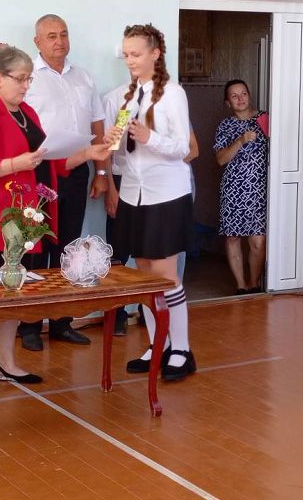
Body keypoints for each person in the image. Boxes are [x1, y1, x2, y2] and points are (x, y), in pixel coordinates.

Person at [0, 45, 111, 393]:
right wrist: (16, 164)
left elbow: (49, 162)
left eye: (29, 79)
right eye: (21, 79)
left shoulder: (27, 113)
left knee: (15, 290)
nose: (27, 86)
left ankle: (6, 362)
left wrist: (88, 153)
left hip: (22, 220)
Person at [106, 23, 195, 381]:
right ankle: (159, 344)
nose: (130, 60)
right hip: (134, 193)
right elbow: (124, 155)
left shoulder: (173, 94)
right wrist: (114, 143)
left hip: (166, 194)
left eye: (136, 54)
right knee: (144, 275)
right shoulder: (128, 97)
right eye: (126, 55)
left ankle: (182, 349)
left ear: (155, 54)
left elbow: (183, 147)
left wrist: (149, 136)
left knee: (166, 276)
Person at [17, 14, 109, 351]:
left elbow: (97, 127)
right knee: (34, 245)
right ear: (37, 42)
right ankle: (28, 325)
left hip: (78, 169)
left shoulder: (84, 76)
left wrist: (101, 173)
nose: (59, 41)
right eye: (51, 36)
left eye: (64, 34)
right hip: (39, 173)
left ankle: (61, 322)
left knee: (68, 245)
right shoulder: (28, 77)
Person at [214, 79, 268, 294]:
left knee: (258, 241)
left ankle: (254, 284)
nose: (240, 98)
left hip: (260, 190)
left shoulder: (264, 119)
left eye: (243, 93)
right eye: (234, 96)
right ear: (228, 102)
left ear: (249, 95)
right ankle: (241, 286)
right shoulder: (225, 126)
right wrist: (240, 141)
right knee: (233, 237)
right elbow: (220, 159)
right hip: (233, 189)